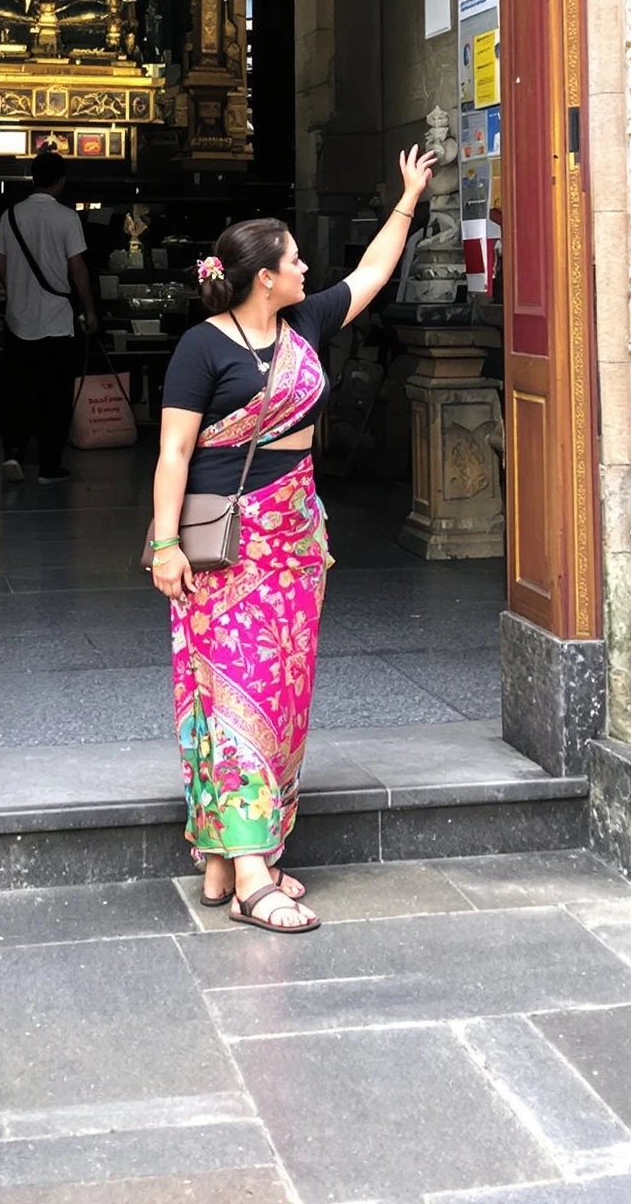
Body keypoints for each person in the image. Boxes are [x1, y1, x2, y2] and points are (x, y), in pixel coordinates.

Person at [150, 149, 437, 934]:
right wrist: (166, 543)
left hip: (296, 543)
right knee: (230, 695)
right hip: (224, 547)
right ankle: (251, 876)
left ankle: (226, 854)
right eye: (295, 258)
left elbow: (373, 274)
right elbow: (175, 452)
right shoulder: (201, 349)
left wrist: (408, 198)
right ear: (263, 276)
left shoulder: (304, 322)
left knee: (279, 695)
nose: (308, 266)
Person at [0, 149, 98, 483]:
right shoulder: (67, 218)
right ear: (61, 180)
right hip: (56, 322)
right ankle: (49, 465)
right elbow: (77, 267)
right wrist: (89, 309)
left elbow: (0, 263)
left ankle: (14, 454)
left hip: (18, 321)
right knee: (54, 395)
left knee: (16, 391)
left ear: (33, 178)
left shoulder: (10, 216)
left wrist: (17, 293)